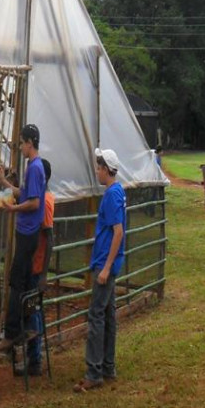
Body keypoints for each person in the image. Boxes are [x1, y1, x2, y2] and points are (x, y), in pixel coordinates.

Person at [74, 149, 126, 393]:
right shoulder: (116, 192)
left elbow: (118, 233)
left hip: (106, 263)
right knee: (107, 314)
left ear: (107, 169)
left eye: (98, 167)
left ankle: (94, 372)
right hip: (108, 262)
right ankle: (108, 366)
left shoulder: (113, 195)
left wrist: (105, 268)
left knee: (96, 315)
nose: (96, 171)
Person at [0, 124, 46, 354]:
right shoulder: (33, 167)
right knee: (24, 282)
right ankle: (25, 327)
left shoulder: (34, 168)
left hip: (27, 233)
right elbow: (24, 194)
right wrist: (5, 183)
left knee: (16, 282)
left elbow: (34, 203)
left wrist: (12, 210)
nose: (20, 147)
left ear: (30, 143)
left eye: (22, 142)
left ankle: (11, 333)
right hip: (29, 233)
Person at [18, 158, 54, 377]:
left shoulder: (46, 202)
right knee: (31, 311)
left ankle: (35, 361)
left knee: (33, 312)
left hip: (37, 266)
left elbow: (49, 239)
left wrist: (43, 275)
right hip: (33, 264)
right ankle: (33, 359)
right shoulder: (42, 197)